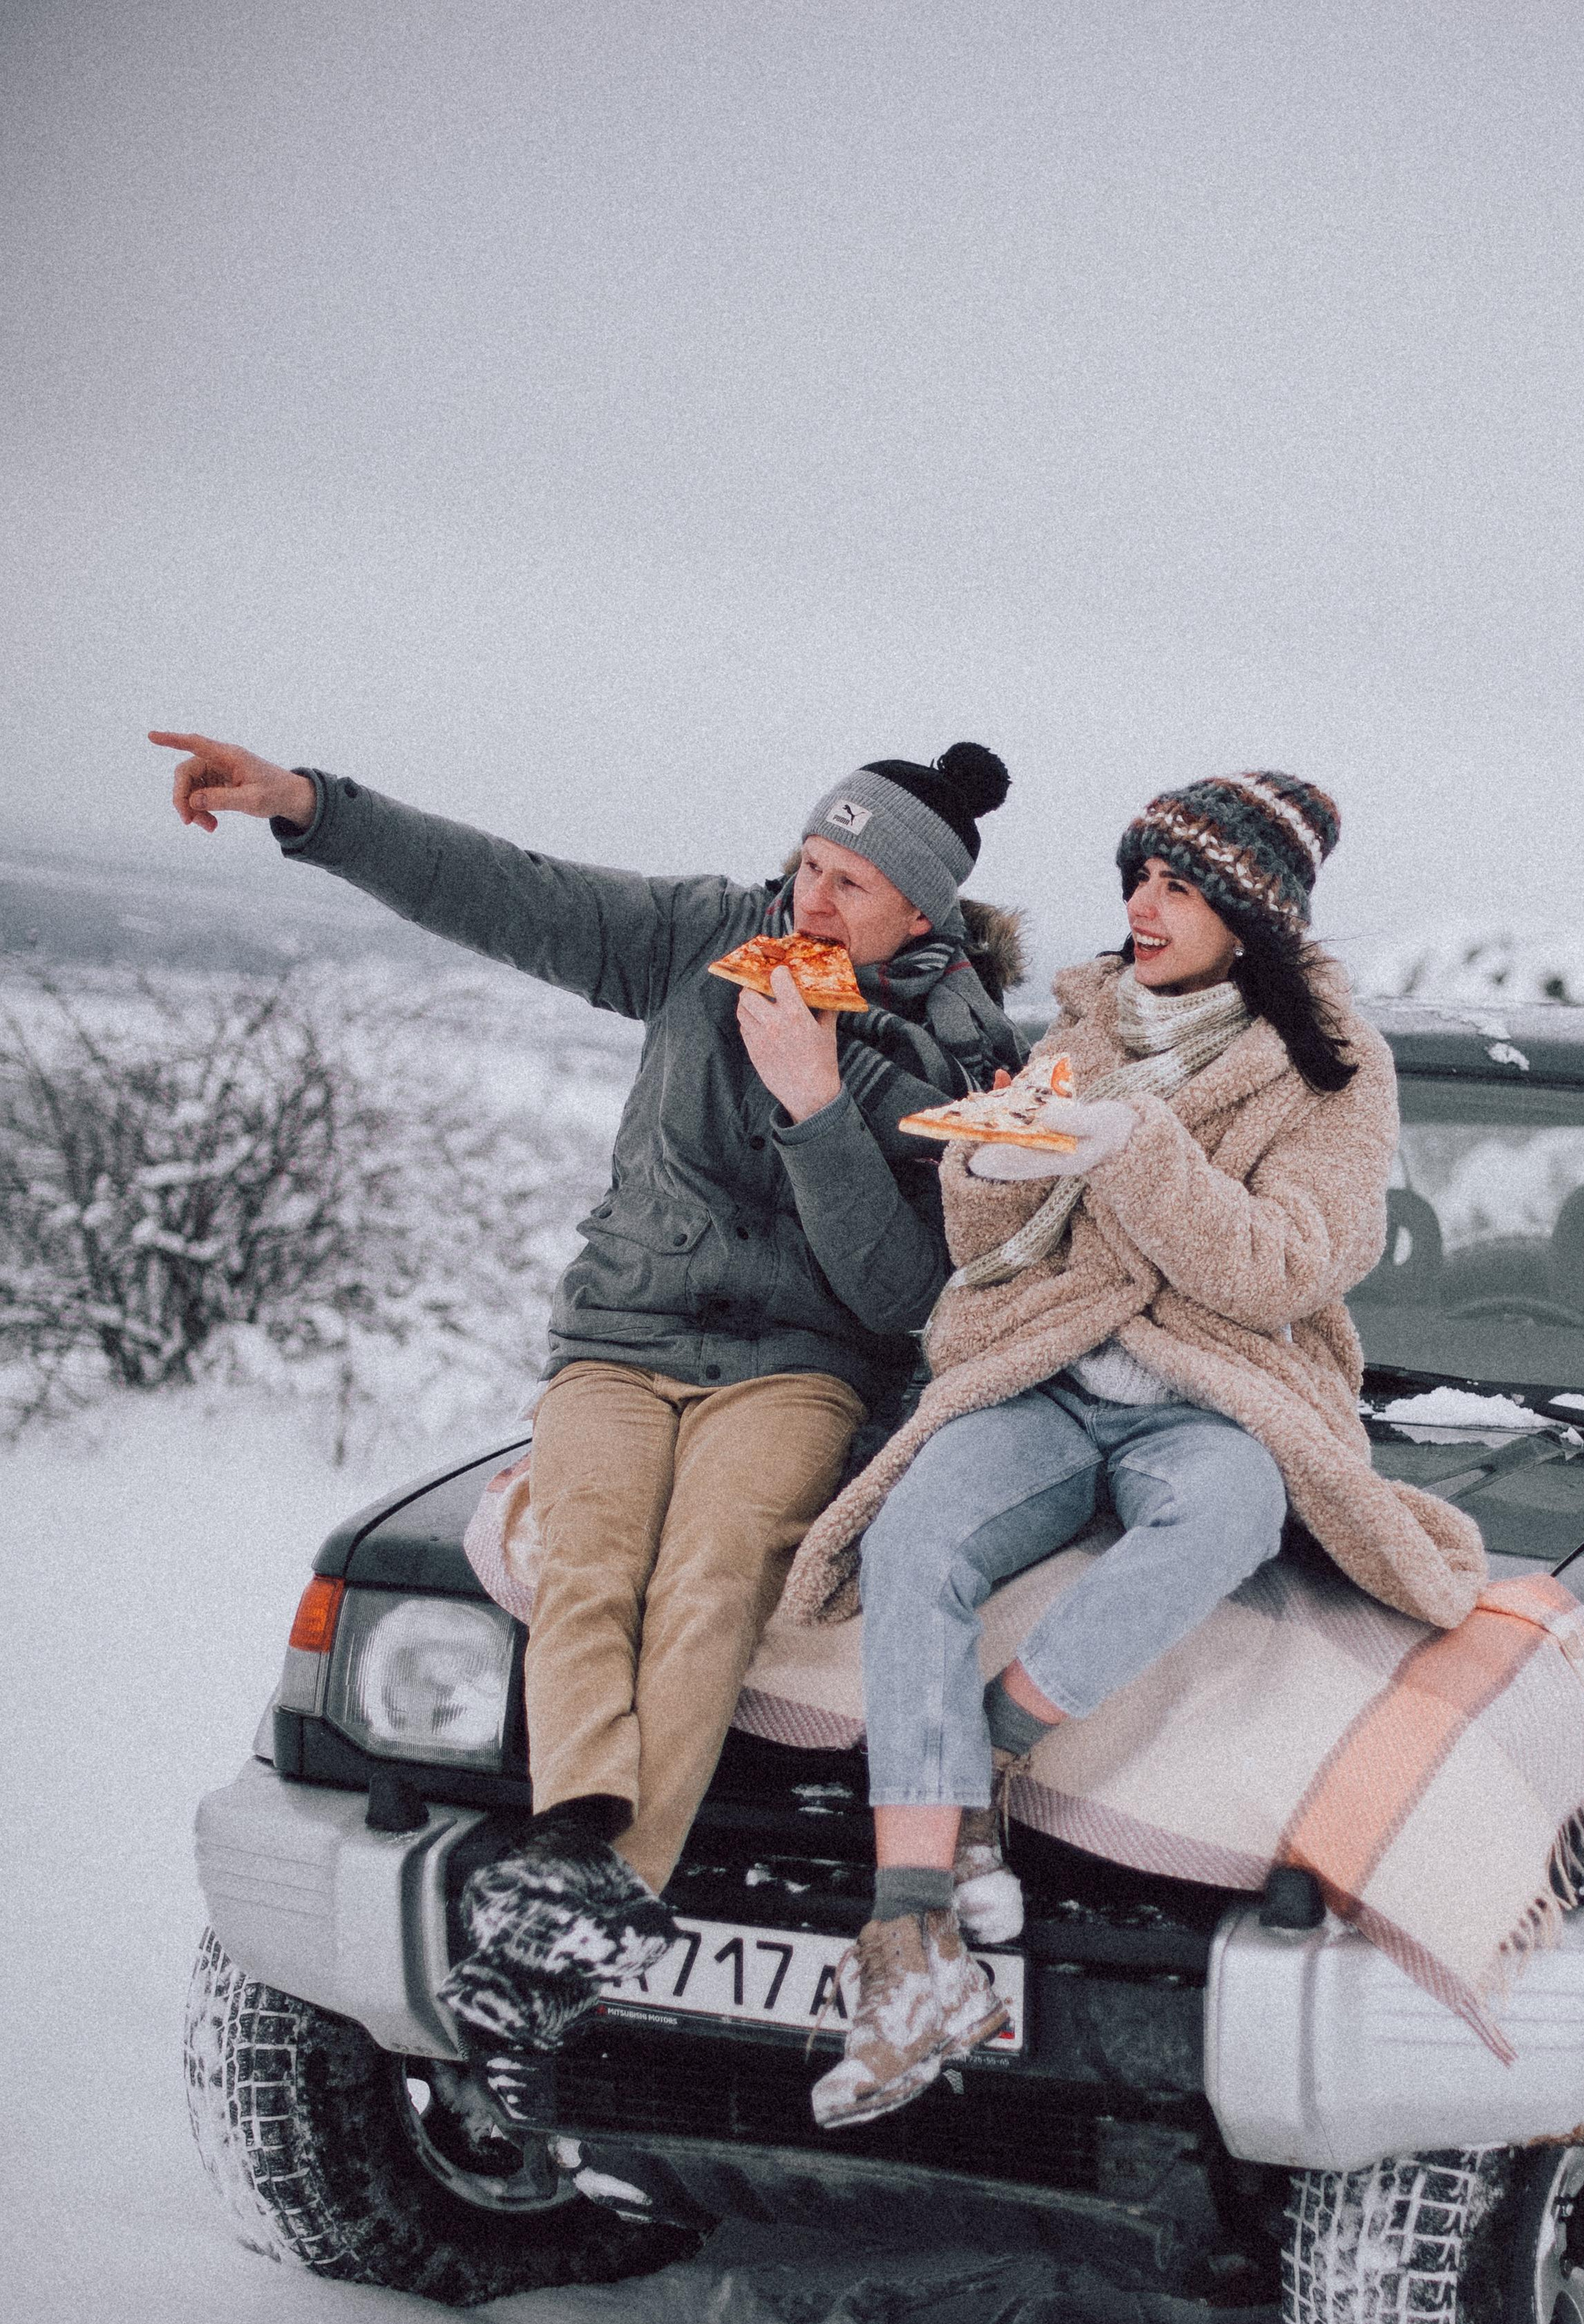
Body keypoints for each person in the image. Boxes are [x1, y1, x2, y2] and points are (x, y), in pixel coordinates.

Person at [152, 725, 1026, 2077]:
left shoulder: (964, 1063)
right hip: (624, 1338)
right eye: (805, 864)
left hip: (799, 1367)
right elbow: (512, 889)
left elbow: (901, 1293)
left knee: (715, 1569)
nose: (809, 900)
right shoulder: (706, 943)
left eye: (849, 885)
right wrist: (313, 807)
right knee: (585, 1560)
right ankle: (580, 1856)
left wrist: (818, 1108)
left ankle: (582, 1900)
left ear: (921, 908)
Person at [781, 768, 1487, 2129]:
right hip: (1046, 1365)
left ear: (1249, 913)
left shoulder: (1334, 1068)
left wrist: (1134, 1149)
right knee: (918, 1527)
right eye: (1136, 879)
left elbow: (1285, 1268)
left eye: (1176, 886)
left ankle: (990, 1743)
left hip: (1214, 1386)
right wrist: (991, 1166)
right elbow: (983, 1251)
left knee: (1226, 1517)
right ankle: (912, 1939)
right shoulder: (1086, 1020)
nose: (1140, 908)